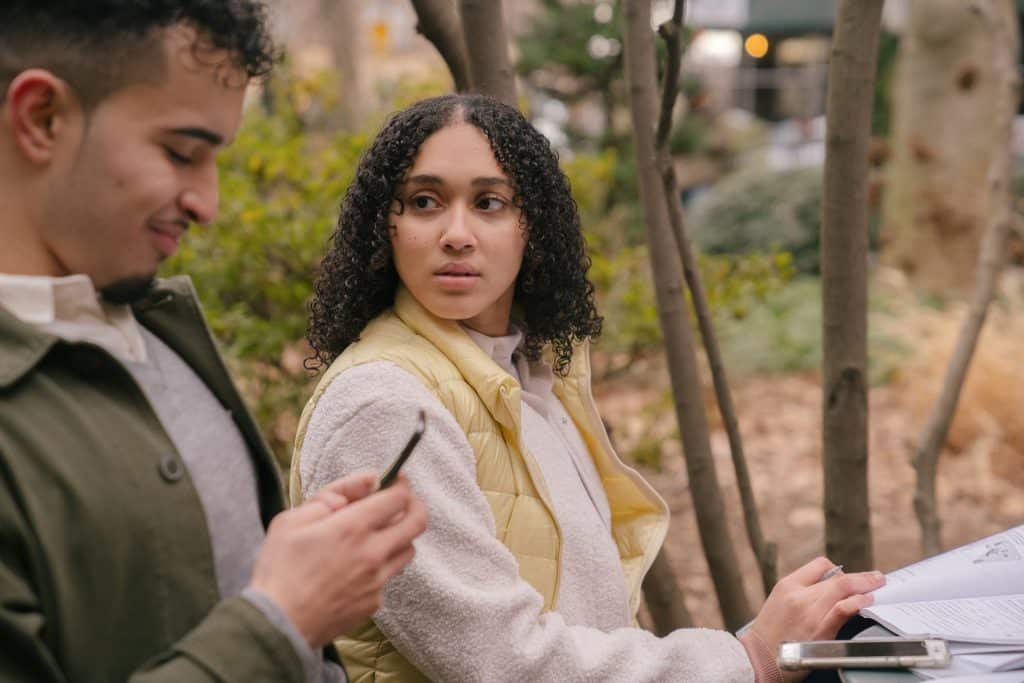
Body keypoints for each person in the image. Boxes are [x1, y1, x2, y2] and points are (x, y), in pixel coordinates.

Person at [291, 93, 886, 683]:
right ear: (384, 228)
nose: (456, 233)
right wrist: (748, 658)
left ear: (534, 229)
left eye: (489, 202)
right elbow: (502, 658)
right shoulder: (386, 404)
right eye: (424, 202)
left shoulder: (529, 379)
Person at [0, 2, 427, 682]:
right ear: (42, 119)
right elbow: (271, 623)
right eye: (180, 153)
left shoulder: (157, 330)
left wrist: (291, 556)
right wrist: (283, 619)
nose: (208, 202)